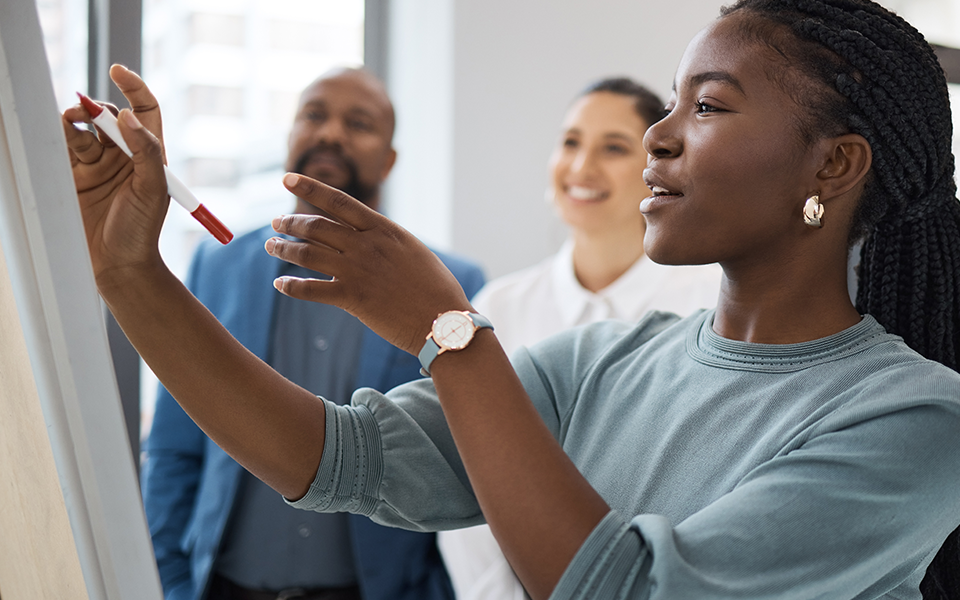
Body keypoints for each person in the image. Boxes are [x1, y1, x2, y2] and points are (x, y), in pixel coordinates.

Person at [62, 0, 960, 597]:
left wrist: (450, 333)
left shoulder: (916, 419)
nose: (657, 137)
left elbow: (625, 590)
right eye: (673, 104)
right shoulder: (604, 361)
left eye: (709, 108)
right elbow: (335, 458)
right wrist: (129, 273)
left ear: (833, 165)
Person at [135, 68, 484, 600]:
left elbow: (463, 459)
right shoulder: (219, 262)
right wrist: (172, 581)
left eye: (359, 123)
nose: (331, 134)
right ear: (290, 136)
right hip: (222, 586)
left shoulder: (451, 282)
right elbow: (173, 447)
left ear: (389, 160)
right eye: (314, 115)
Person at [436, 77, 723, 600]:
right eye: (570, 142)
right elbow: (465, 474)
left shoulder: (712, 306)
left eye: (612, 147)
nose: (580, 167)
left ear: (655, 167)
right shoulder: (499, 307)